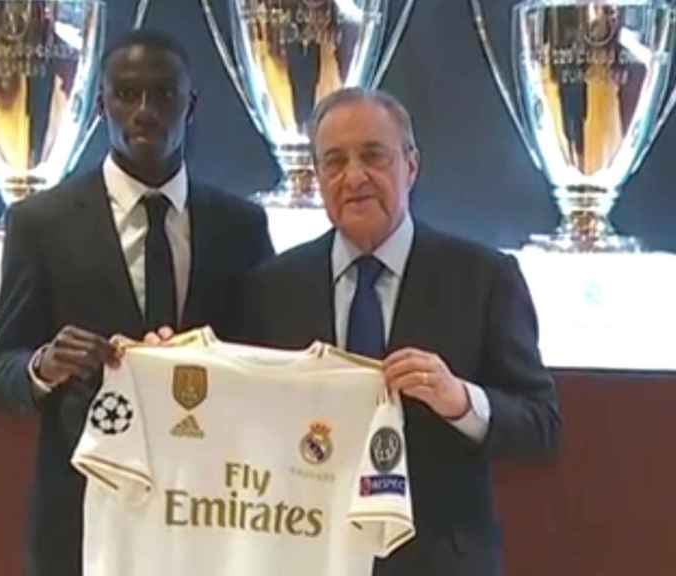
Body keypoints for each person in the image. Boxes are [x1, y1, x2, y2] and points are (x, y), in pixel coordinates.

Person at [0, 29, 274, 576]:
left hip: (212, 511)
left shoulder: (241, 226)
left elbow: (269, 357)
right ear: (100, 105)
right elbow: (1, 373)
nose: (144, 111)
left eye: (164, 95)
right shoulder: (40, 223)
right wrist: (44, 366)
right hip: (85, 514)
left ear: (191, 107)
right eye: (127, 94)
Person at [237, 87, 561, 576]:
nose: (355, 177)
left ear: (411, 165)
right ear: (318, 177)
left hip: (440, 560)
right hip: (306, 556)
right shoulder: (273, 287)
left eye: (373, 155)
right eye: (334, 161)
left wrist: (461, 401)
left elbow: (542, 428)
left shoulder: (484, 277)